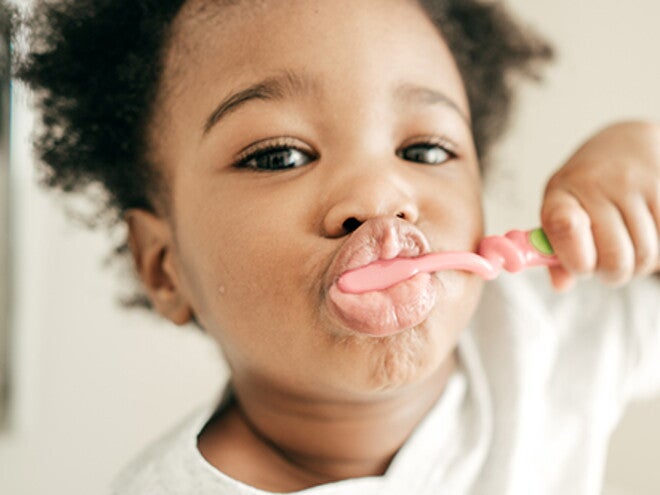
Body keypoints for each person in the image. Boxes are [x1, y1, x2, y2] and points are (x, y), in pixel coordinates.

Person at [14, 0, 660, 493]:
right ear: (164, 266)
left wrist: (642, 164)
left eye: (426, 150)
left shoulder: (543, 336)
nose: (379, 195)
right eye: (279, 156)